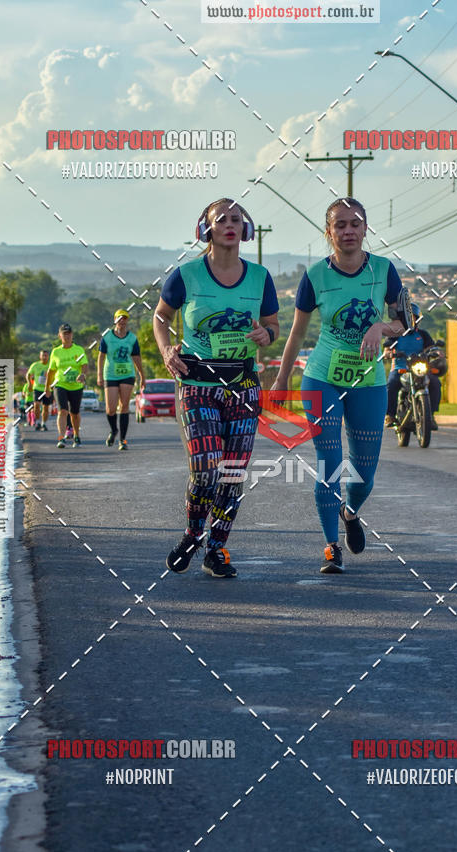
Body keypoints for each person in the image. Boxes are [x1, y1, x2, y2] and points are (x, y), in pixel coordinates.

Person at [272, 198, 405, 574]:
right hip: (321, 378)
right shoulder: (315, 275)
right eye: (340, 225)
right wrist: (282, 379)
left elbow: (404, 322)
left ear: (366, 229)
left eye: (355, 224)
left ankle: (350, 511)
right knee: (329, 463)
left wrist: (381, 327)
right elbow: (297, 332)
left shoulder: (384, 270)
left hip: (369, 381)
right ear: (328, 232)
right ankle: (331, 547)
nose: (348, 231)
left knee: (365, 473)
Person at [153, 197, 279, 578]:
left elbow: (272, 327)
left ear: (246, 229)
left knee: (232, 474)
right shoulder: (186, 275)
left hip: (242, 385)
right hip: (197, 384)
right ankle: (193, 533)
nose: (229, 224)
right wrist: (165, 349)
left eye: (237, 219)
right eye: (221, 219)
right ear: (205, 229)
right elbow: (161, 316)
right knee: (207, 470)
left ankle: (217, 549)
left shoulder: (259, 277)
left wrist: (264, 333)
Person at [384, 303, 443, 430]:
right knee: (391, 384)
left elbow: (431, 347)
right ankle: (390, 415)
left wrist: (437, 352)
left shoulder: (423, 335)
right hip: (401, 368)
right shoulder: (395, 334)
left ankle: (430, 416)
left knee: (435, 383)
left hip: (420, 369)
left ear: (417, 319)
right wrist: (388, 353)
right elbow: (387, 349)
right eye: (407, 317)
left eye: (413, 317)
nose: (411, 319)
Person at [97, 309, 145, 450]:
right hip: (110, 374)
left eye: (125, 319)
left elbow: (136, 357)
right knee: (110, 408)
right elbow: (101, 357)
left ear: (127, 321)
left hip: (127, 374)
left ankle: (123, 440)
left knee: (124, 406)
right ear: (115, 321)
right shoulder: (107, 337)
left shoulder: (132, 338)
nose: (122, 322)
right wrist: (99, 375)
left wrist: (142, 375)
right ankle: (114, 430)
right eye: (120, 319)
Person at [45, 323, 89, 448]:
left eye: (69, 333)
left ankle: (76, 435)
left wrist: (82, 375)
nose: (67, 336)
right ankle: (61, 437)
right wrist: (47, 387)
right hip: (60, 384)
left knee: (74, 413)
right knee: (62, 411)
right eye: (64, 334)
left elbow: (84, 365)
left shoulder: (78, 350)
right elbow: (51, 371)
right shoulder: (56, 352)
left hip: (76, 386)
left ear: (72, 335)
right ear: (60, 336)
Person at [26, 349, 52, 431]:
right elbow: (28, 374)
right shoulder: (35, 365)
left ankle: (43, 423)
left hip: (47, 389)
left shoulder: (51, 365)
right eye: (43, 355)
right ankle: (37, 422)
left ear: (48, 356)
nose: (44, 357)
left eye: (46, 355)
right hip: (37, 389)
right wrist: (29, 383)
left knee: (46, 407)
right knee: (36, 405)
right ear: (40, 356)